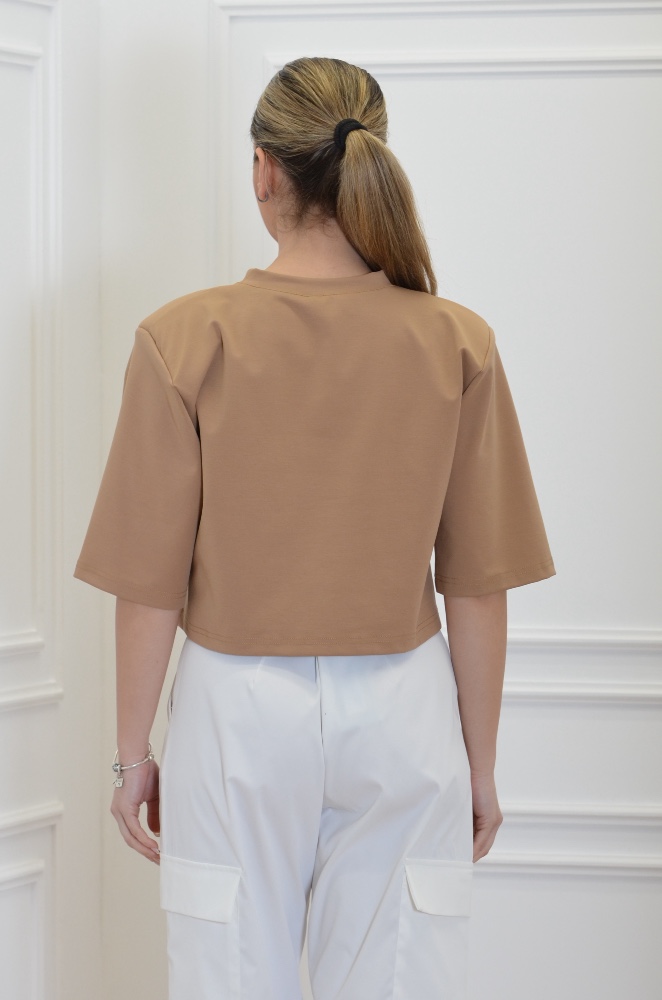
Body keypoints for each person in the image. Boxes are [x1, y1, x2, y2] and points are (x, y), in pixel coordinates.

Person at [73, 56, 555, 1000]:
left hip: (236, 714)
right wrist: (480, 766)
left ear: (264, 170)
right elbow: (477, 583)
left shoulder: (182, 339)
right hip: (406, 713)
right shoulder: (457, 340)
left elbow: (149, 585)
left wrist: (132, 759)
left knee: (227, 977)